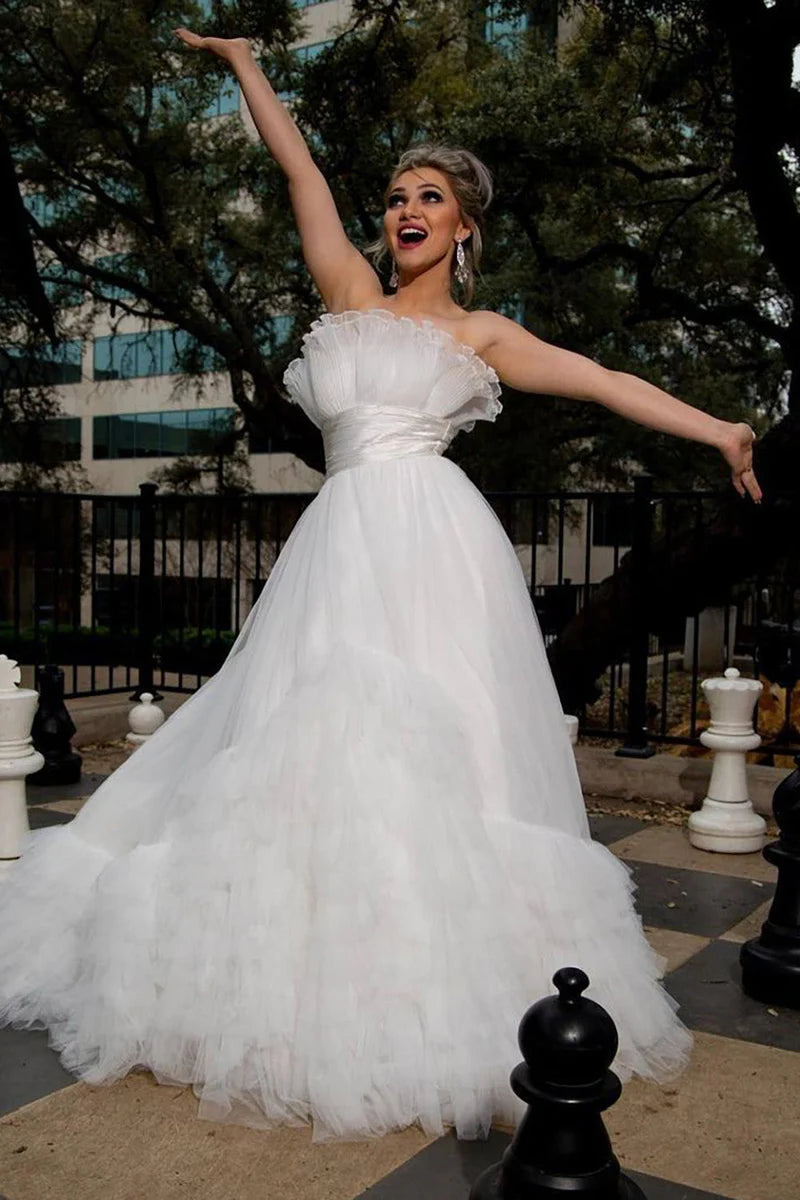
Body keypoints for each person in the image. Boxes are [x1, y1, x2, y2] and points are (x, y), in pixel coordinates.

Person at [0, 30, 760, 1146]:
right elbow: (297, 170)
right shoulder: (349, 289)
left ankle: (436, 982)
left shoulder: (481, 332)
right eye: (399, 194)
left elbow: (599, 381)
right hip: (339, 542)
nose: (406, 208)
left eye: (431, 197)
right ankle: (293, 971)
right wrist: (245, 67)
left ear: (465, 228)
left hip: (434, 550)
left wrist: (721, 427)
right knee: (307, 743)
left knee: (442, 756)